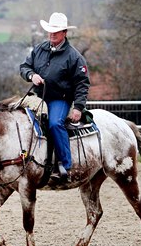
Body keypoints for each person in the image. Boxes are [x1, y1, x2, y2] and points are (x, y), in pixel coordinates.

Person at [19, 12, 90, 181]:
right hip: (38, 97)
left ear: (64, 33)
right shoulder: (39, 49)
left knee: (55, 124)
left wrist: (78, 107)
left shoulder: (74, 57)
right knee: (20, 120)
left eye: (56, 31)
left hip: (60, 99)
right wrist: (31, 75)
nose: (52, 33)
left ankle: (65, 166)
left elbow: (82, 83)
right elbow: (24, 67)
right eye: (50, 30)